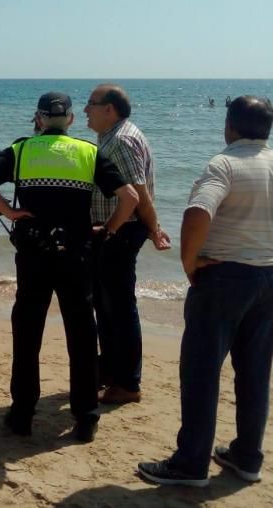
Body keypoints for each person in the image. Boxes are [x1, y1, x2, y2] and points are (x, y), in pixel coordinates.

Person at [138, 96, 273, 487]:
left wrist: (189, 264)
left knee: (202, 374)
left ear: (230, 125)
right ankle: (246, 456)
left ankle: (190, 464)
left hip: (223, 280)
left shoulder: (224, 163)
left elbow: (197, 213)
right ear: (270, 127)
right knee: (255, 374)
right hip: (267, 282)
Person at [0, 92, 138, 441]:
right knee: (81, 334)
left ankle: (22, 415)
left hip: (33, 254)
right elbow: (130, 198)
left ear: (39, 119)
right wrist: (108, 231)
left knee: (28, 331)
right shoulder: (88, 152)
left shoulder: (22, 150)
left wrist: (8, 211)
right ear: (73, 120)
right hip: (77, 254)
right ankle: (85, 418)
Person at [84, 84, 171, 404]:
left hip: (121, 230)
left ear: (110, 109)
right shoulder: (114, 135)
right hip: (115, 230)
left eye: (91, 104)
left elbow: (139, 193)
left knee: (119, 308)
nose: (85, 111)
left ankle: (129, 383)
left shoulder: (120, 140)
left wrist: (153, 228)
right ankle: (108, 371)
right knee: (105, 306)